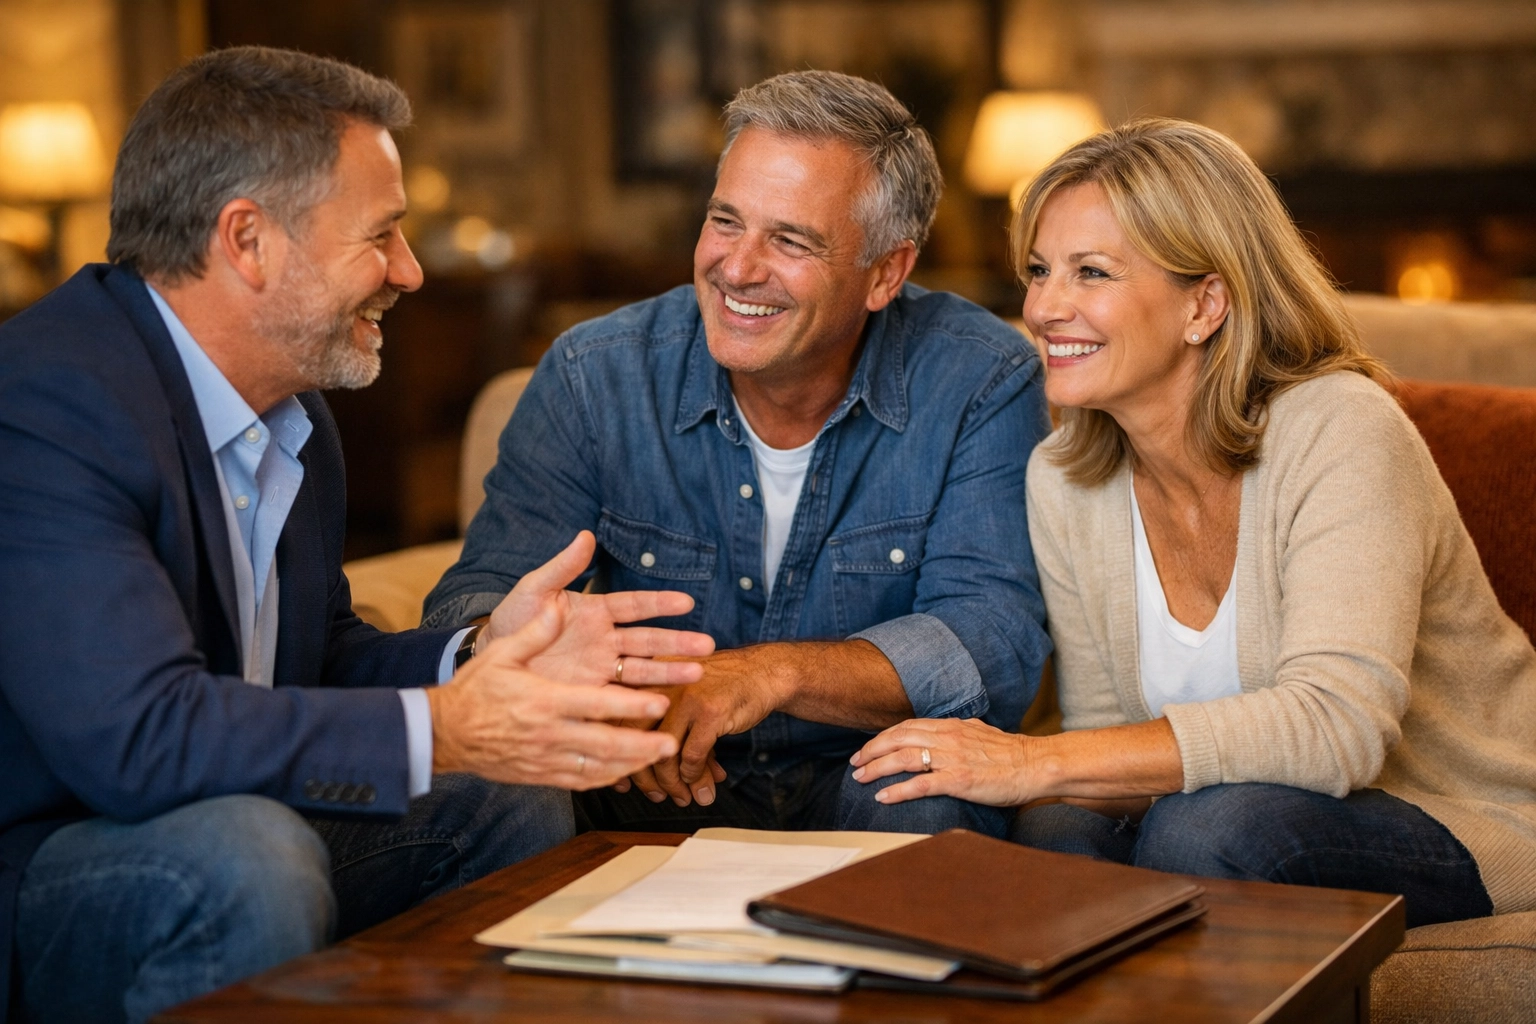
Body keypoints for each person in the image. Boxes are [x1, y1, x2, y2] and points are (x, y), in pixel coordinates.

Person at [0, 47, 715, 1024]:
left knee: (509, 788)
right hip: (47, 861)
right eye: (382, 235)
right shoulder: (48, 404)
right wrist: (446, 724)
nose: (410, 272)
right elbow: (136, 737)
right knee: (250, 855)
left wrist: (481, 658)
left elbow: (317, 654)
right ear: (247, 240)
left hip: (222, 815)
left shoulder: (295, 410)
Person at [850, 117, 1536, 927]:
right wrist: (1028, 780)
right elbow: (1111, 738)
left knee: (1205, 825)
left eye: (1091, 272)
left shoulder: (1340, 428)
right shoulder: (1067, 477)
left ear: (1205, 303)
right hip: (1231, 825)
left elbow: (1339, 727)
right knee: (1056, 824)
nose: (1043, 307)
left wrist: (1028, 759)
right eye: (1039, 270)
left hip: (1463, 820)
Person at [423, 70, 1052, 838]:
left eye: (790, 240)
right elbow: (471, 609)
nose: (738, 268)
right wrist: (620, 700)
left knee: (932, 793)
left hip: (861, 770)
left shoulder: (980, 377)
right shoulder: (596, 374)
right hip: (642, 776)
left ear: (886, 272)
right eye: (726, 222)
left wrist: (765, 675)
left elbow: (992, 643)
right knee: (501, 791)